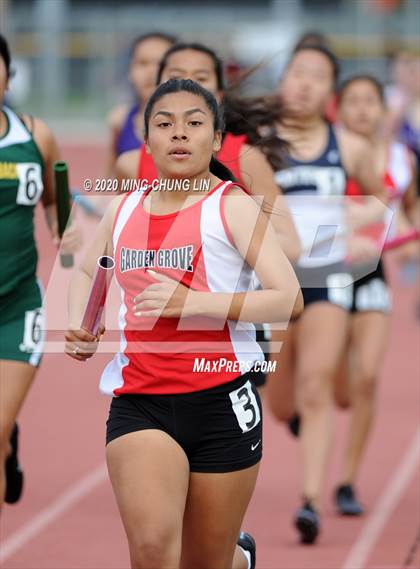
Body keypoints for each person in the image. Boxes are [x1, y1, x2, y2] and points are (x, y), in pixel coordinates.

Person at [66, 78, 302, 569]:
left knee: (206, 562)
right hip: (141, 401)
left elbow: (289, 299)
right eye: (164, 124)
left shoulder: (232, 206)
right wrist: (82, 320)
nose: (179, 134)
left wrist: (195, 303)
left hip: (221, 402)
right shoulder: (123, 206)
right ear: (146, 138)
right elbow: (90, 266)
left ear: (215, 139)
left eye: (194, 124)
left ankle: (238, 559)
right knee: (153, 550)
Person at [116, 42, 302, 394]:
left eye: (200, 79)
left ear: (217, 94)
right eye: (176, 77)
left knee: (236, 436)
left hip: (229, 334)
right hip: (151, 344)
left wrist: (235, 246)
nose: (187, 87)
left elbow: (289, 242)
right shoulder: (130, 163)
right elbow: (110, 248)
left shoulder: (244, 157)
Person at [264, 44, 388, 544]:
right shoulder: (260, 144)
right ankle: (296, 418)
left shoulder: (349, 147)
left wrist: (364, 230)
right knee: (279, 402)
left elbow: (381, 201)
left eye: (318, 76)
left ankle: (311, 499)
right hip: (274, 283)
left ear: (330, 90)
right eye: (299, 73)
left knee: (315, 386)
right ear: (284, 80)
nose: (306, 83)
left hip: (329, 279)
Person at [331, 74, 418, 515]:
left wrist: (410, 244)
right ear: (339, 108)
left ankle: (347, 481)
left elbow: (405, 215)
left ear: (384, 110)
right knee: (338, 390)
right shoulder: (327, 153)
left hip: (371, 277)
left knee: (366, 378)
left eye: (371, 101)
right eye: (354, 101)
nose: (363, 109)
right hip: (322, 276)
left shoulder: (400, 158)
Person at [0, 34, 81, 509]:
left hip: (16, 308)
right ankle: (9, 444)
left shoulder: (34, 136)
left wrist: (63, 229)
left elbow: (56, 204)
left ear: (9, 76)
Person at [105, 32, 177, 177]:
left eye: (160, 64)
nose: (151, 72)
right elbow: (108, 181)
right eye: (142, 63)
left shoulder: (195, 124)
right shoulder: (120, 120)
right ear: (130, 70)